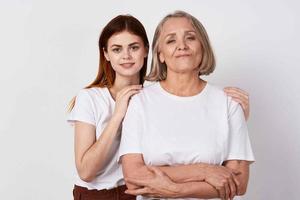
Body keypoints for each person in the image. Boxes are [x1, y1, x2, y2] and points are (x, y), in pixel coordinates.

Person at [67, 14, 250, 200]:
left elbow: (237, 178)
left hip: (137, 192)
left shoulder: (146, 98)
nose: (126, 56)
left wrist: (233, 121)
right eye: (117, 49)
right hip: (100, 194)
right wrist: (117, 115)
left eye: (134, 47)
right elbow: (87, 172)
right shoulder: (94, 98)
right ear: (106, 54)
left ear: (147, 51)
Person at [119, 11, 255, 200]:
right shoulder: (140, 102)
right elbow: (133, 177)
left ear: (203, 47)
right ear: (161, 56)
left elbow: (239, 183)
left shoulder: (229, 103)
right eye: (171, 40)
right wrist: (205, 171)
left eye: (190, 38)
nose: (182, 46)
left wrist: (176, 190)